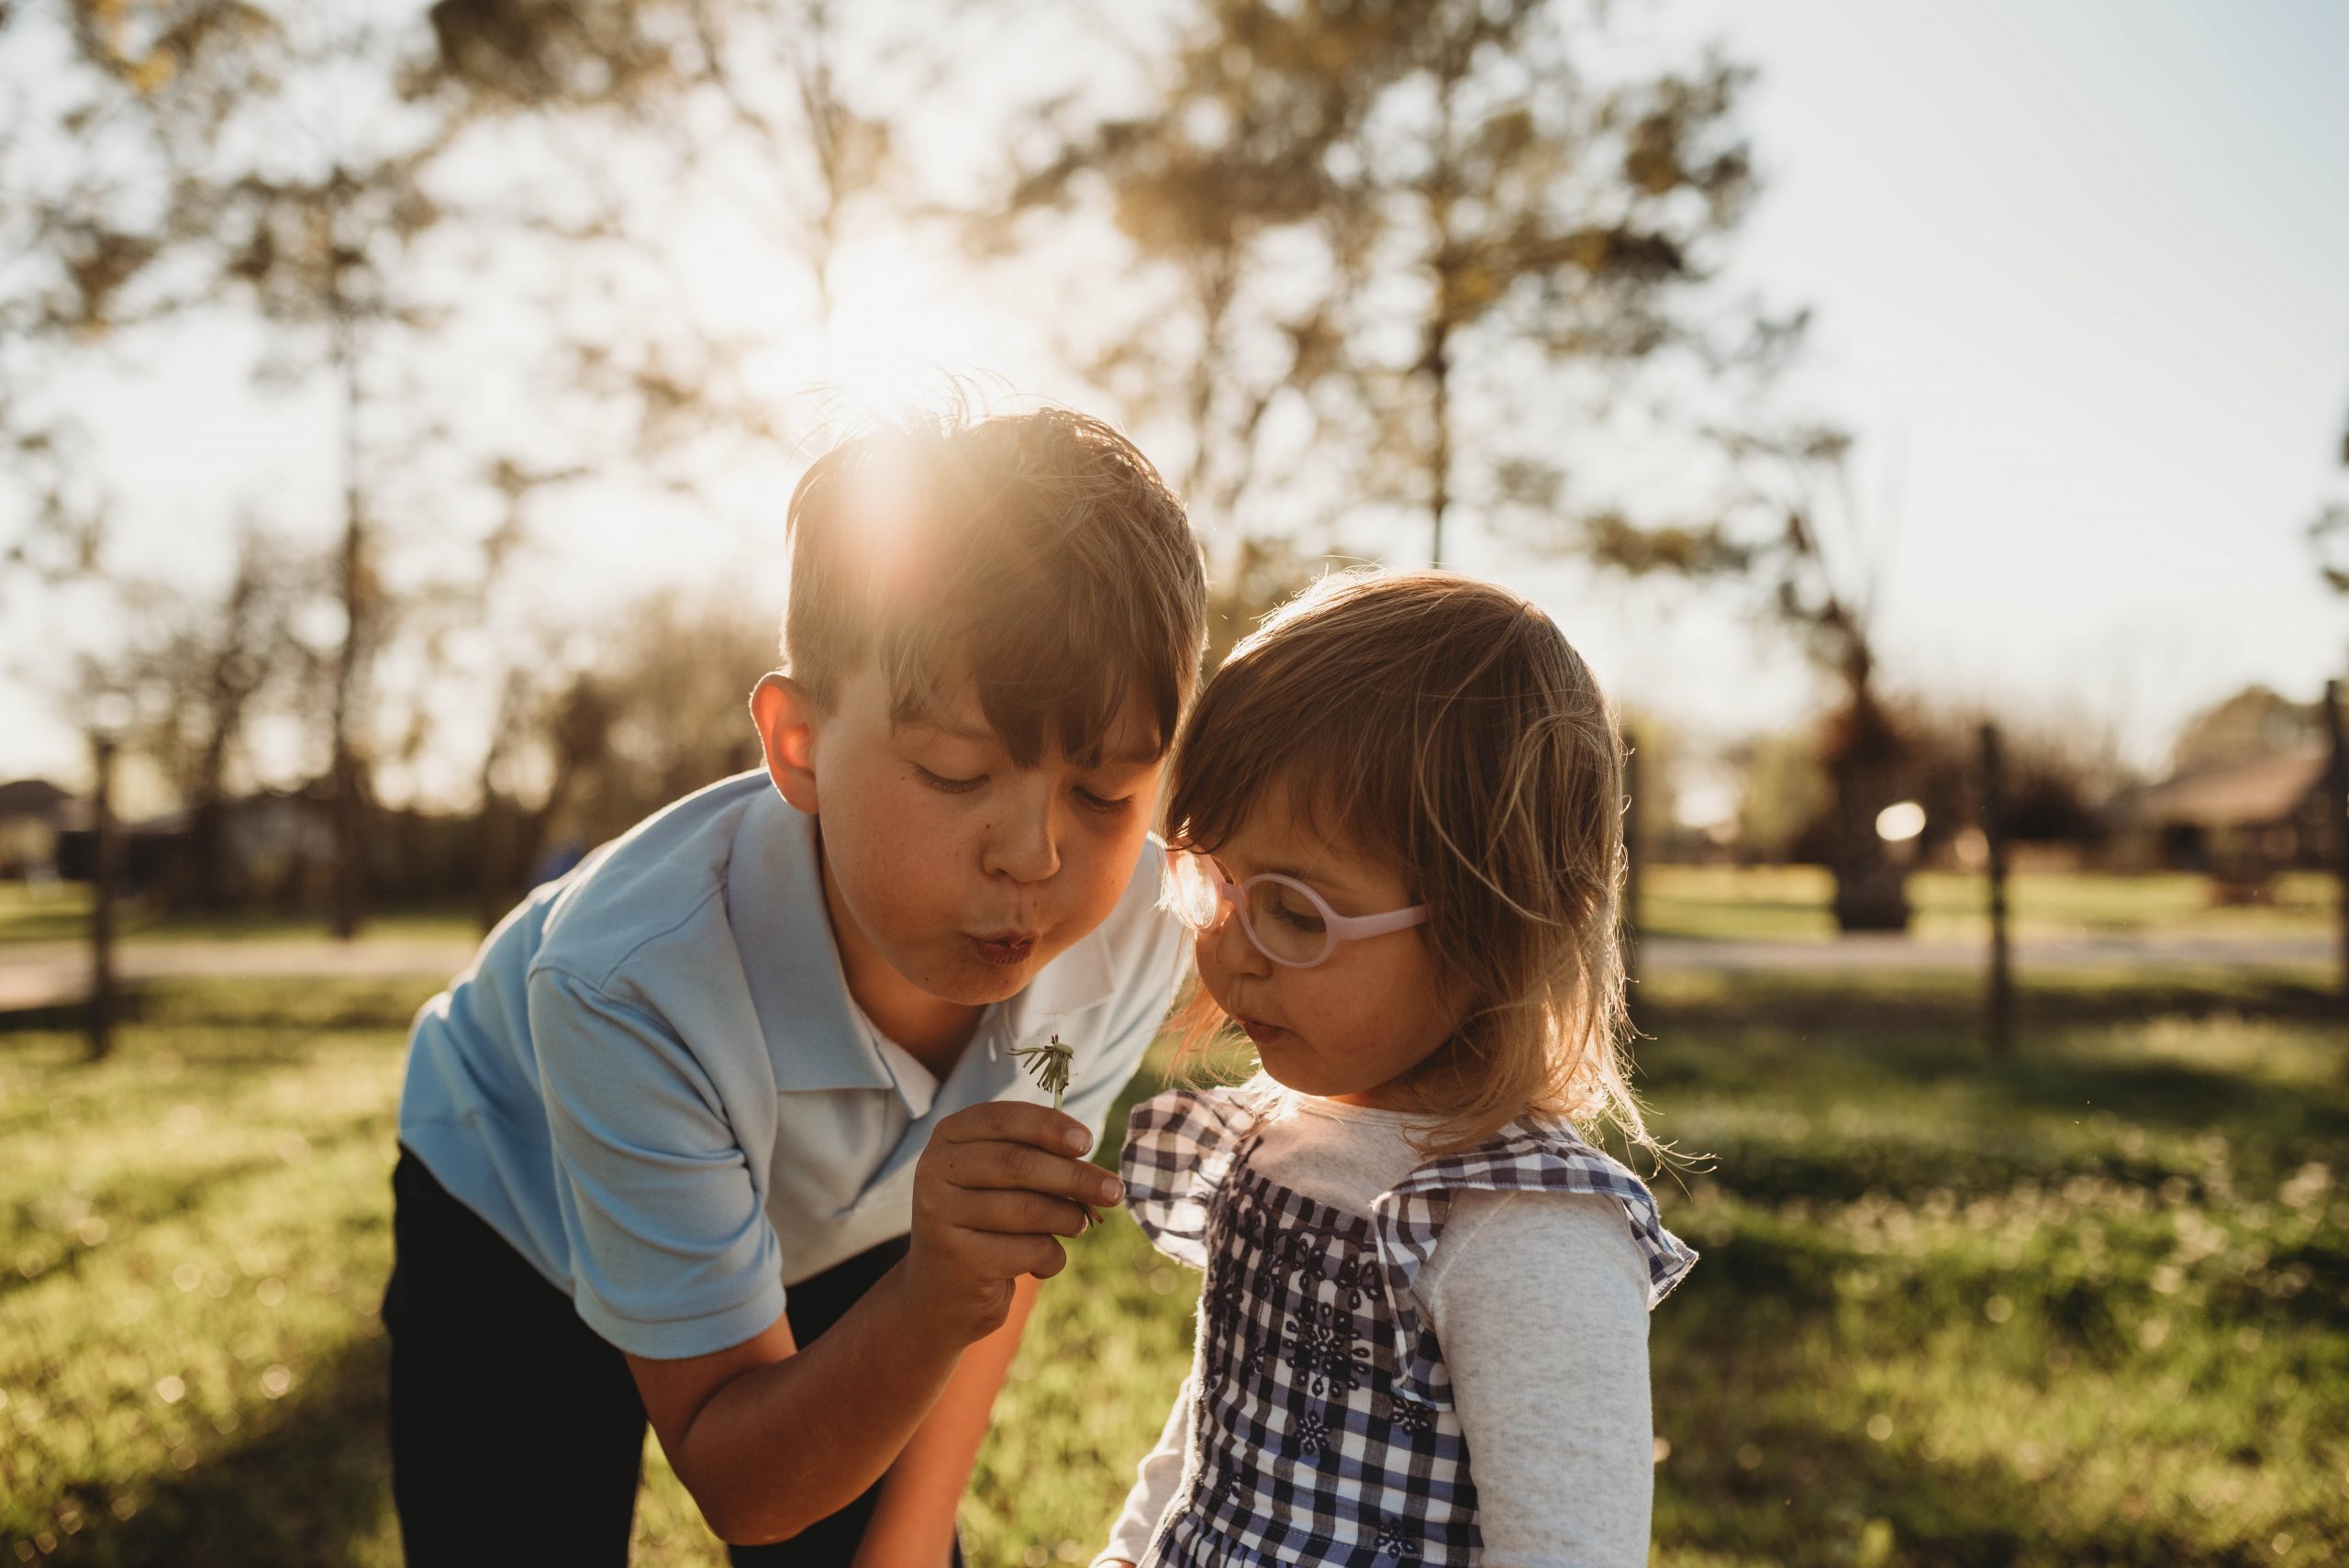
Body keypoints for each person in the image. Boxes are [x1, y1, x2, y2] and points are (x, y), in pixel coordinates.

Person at [384, 406, 1208, 1566]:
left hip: (868, 1235)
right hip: (520, 1215)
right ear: (798, 742)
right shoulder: (628, 980)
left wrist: (906, 1539)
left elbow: (990, 1250)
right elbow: (743, 1480)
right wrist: (924, 1300)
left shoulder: (1136, 920)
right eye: (956, 771)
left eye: (1107, 792)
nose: (1036, 854)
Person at [1094, 570, 1698, 1568]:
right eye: (1214, 878)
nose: (1235, 950)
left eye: (1295, 910)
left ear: (1494, 929)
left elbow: (1568, 1544)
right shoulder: (1275, 1136)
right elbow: (1216, 1434)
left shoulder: (1520, 1224)